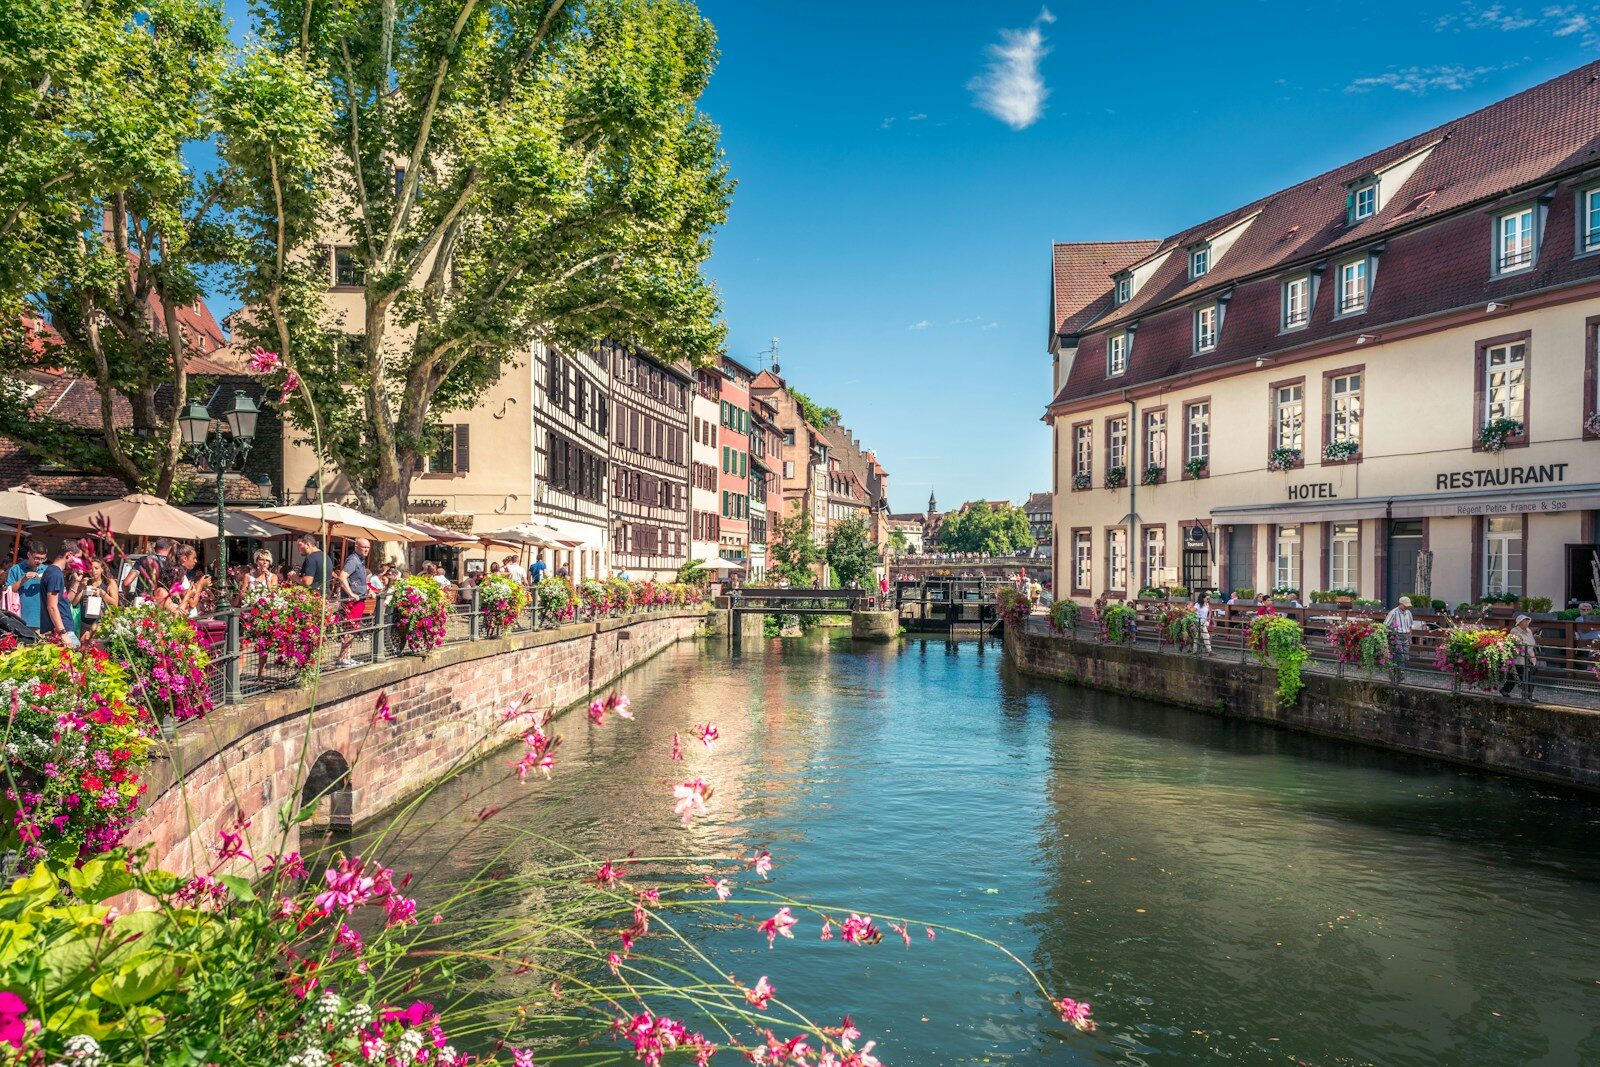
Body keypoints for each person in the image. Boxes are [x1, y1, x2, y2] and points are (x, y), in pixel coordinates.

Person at [334, 537, 371, 668]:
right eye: (363, 547)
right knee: (350, 629)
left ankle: (347, 657)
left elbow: (359, 580)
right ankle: (342, 659)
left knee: (353, 629)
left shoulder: (360, 561)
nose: (366, 550)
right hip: (352, 602)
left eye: (368, 547)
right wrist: (350, 594)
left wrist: (368, 590)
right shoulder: (353, 560)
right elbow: (342, 577)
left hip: (359, 599)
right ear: (356, 547)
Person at [40, 544, 78, 647]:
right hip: (61, 631)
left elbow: (66, 600)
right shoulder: (55, 574)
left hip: (62, 629)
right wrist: (62, 632)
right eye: (77, 558)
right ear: (69, 555)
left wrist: (76, 581)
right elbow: (51, 606)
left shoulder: (54, 572)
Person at [5, 540, 48, 629]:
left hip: (42, 620)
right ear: (29, 555)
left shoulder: (47, 570)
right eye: (36, 558)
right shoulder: (16, 569)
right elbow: (9, 590)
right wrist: (24, 579)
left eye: (42, 559)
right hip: (20, 618)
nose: (39, 561)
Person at [1500, 614, 1539, 698]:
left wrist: (1533, 657)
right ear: (1519, 622)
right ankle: (1527, 696)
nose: (1526, 623)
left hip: (1530, 657)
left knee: (1516, 677)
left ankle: (1505, 690)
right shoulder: (1515, 631)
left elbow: (1531, 644)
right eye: (1524, 621)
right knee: (1526, 678)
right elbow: (1519, 645)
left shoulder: (1529, 631)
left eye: (1527, 621)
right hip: (1519, 658)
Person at [1383, 595, 1424, 674]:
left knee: (1405, 656)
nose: (1407, 607)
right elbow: (1385, 626)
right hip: (1397, 635)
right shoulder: (1393, 613)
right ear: (1400, 604)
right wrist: (1392, 633)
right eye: (1405, 605)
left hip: (1406, 635)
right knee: (1400, 655)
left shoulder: (1408, 613)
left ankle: (1398, 671)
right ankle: (1400, 672)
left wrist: (1410, 638)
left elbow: (1410, 626)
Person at [78, 557, 117, 637]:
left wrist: (102, 593)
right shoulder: (85, 582)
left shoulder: (109, 582)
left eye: (96, 568)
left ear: (102, 569)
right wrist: (80, 588)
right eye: (90, 568)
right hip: (85, 624)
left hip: (101, 624)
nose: (93, 571)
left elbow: (115, 603)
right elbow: (76, 602)